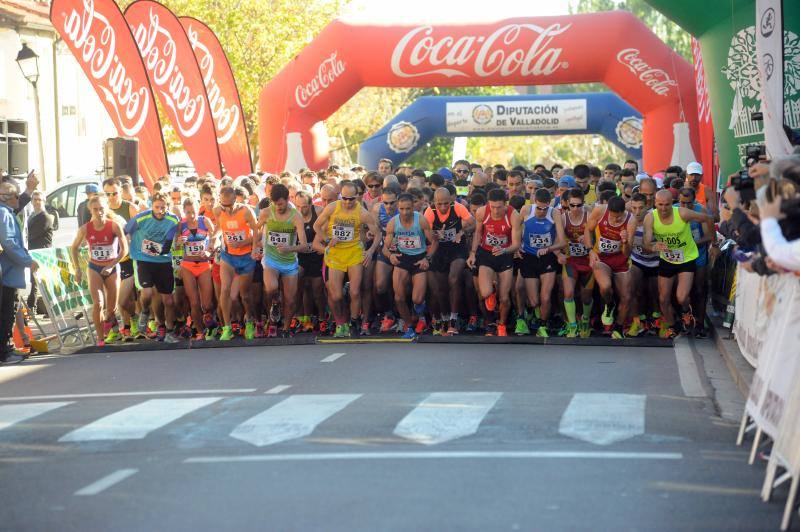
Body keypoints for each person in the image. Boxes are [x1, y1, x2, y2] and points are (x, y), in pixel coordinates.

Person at [313, 182, 380, 338]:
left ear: (357, 197)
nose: (348, 202)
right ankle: (341, 322)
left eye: (351, 199)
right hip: (335, 255)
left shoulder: (362, 213)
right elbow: (317, 226)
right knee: (336, 296)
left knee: (355, 292)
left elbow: (377, 234)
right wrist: (328, 239)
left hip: (354, 254)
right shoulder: (332, 208)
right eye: (345, 198)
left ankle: (354, 321)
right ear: (340, 196)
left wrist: (370, 252)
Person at [643, 190, 713, 339]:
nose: (663, 208)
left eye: (667, 205)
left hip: (686, 258)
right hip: (667, 259)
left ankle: (686, 312)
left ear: (672, 203)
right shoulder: (650, 218)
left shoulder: (682, 213)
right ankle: (672, 326)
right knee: (663, 298)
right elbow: (646, 243)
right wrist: (654, 246)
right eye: (660, 205)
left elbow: (708, 218)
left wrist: (714, 241)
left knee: (681, 297)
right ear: (655, 203)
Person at [70, 196, 128, 347]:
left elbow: (124, 249)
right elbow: (74, 248)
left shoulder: (114, 226)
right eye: (95, 209)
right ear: (90, 210)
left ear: (106, 209)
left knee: (112, 308)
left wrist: (112, 264)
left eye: (101, 208)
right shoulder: (85, 229)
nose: (99, 212)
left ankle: (110, 324)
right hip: (94, 267)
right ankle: (100, 338)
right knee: (98, 303)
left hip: (112, 267)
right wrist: (77, 269)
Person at [126, 192, 181, 343]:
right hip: (143, 259)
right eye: (157, 207)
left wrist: (161, 249)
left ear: (167, 206)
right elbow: (125, 231)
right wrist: (129, 245)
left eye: (163, 207)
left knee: (169, 301)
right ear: (152, 206)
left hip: (163, 261)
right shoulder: (141, 218)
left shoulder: (172, 220)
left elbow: (169, 242)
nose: (160, 210)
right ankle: (144, 311)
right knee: (148, 293)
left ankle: (169, 330)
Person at [467, 188, 522, 337]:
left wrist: (504, 250)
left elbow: (517, 244)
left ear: (505, 204)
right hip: (486, 254)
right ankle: (492, 293)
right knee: (485, 293)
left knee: (504, 298)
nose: (496, 211)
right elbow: (478, 233)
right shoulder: (481, 212)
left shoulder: (514, 216)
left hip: (505, 254)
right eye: (492, 207)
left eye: (499, 207)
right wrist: (472, 253)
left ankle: (502, 324)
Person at [383, 193, 438, 339]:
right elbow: (384, 247)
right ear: (397, 208)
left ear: (413, 207)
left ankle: (419, 310)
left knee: (417, 300)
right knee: (399, 298)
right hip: (403, 258)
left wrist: (427, 258)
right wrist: (391, 256)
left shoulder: (421, 220)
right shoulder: (393, 222)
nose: (405, 212)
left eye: (408, 209)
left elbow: (434, 242)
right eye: (401, 209)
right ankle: (410, 327)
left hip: (419, 259)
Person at [257, 184, 307, 337]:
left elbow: (304, 245)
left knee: (291, 300)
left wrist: (289, 248)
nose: (278, 207)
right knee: (271, 288)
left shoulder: (295, 216)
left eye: (281, 204)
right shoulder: (266, 213)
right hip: (271, 259)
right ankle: (275, 303)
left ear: (287, 200)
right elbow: (256, 230)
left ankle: (285, 328)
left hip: (289, 261)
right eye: (275, 204)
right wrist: (254, 248)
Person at [424, 187, 474, 336]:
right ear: (434, 202)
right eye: (439, 204)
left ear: (451, 201)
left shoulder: (458, 208)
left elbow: (473, 224)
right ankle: (445, 318)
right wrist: (434, 235)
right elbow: (426, 233)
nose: (443, 207)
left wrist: (462, 232)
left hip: (457, 249)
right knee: (440, 288)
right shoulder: (430, 212)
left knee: (453, 278)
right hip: (439, 250)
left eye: (446, 203)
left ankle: (453, 319)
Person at [518, 188, 567, 337]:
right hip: (529, 257)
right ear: (534, 202)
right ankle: (530, 313)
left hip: (547, 257)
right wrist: (516, 247)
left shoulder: (554, 213)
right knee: (534, 301)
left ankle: (543, 325)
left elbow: (562, 241)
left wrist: (549, 249)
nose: (541, 211)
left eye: (545, 208)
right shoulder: (526, 210)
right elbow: (515, 229)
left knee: (546, 296)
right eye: (539, 208)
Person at [214, 186, 260, 341]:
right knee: (225, 290)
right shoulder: (217, 211)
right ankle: (227, 328)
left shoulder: (246, 211)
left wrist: (252, 247)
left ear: (236, 200)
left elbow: (257, 231)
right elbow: (219, 229)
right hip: (228, 256)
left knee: (244, 295)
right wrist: (214, 240)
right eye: (223, 204)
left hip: (246, 257)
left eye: (229, 204)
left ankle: (249, 323)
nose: (226, 208)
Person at [0, 182, 38, 364]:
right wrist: (27, 261)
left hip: (8, 271)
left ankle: (6, 350)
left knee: (9, 311)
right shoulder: (3, 213)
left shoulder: (5, 212)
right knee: (7, 311)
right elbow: (9, 243)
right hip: (7, 273)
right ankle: (5, 352)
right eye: (15, 196)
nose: (18, 199)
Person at [584, 196, 633, 339]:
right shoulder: (599, 211)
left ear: (623, 212)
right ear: (608, 211)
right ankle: (610, 304)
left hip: (620, 259)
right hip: (601, 257)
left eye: (619, 218)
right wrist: (590, 251)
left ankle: (618, 327)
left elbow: (627, 253)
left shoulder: (631, 220)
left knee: (626, 296)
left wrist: (625, 241)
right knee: (605, 286)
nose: (616, 220)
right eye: (613, 217)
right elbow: (588, 230)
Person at [103, 177, 140, 341]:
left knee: (124, 299)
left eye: (114, 193)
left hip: (128, 260)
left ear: (121, 192)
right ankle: (123, 328)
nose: (111, 197)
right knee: (112, 301)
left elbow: (139, 233)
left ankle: (133, 319)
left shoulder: (130, 208)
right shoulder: (100, 210)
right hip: (108, 263)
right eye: (107, 194)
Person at [176, 197, 216, 341]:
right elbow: (175, 246)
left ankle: (210, 321)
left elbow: (215, 238)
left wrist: (209, 252)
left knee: (207, 304)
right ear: (183, 212)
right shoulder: (181, 225)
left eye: (193, 212)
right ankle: (200, 332)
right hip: (188, 265)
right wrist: (179, 242)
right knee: (194, 302)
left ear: (197, 209)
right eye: (187, 212)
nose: (191, 215)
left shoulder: (204, 221)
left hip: (204, 265)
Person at [560, 188, 594, 338]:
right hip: (571, 261)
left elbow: (598, 240)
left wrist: (588, 240)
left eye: (578, 205)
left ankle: (585, 320)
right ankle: (572, 325)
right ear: (567, 203)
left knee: (586, 297)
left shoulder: (590, 216)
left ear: (583, 204)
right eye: (572, 205)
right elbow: (557, 240)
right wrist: (557, 254)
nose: (575, 209)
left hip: (588, 261)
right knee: (568, 293)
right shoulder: (562, 218)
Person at [628, 192, 661, 337]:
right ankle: (637, 322)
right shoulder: (628, 220)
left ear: (647, 206)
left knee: (656, 294)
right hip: (637, 260)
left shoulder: (656, 218)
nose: (637, 212)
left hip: (656, 262)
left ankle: (657, 321)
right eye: (633, 208)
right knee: (633, 289)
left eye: (640, 208)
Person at [296, 191, 326, 333]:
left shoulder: (319, 212)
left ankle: (322, 318)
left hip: (316, 257)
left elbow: (327, 231)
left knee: (317, 291)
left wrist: (324, 247)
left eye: (305, 207)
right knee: (301, 287)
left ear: (311, 204)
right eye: (298, 206)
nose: (301, 210)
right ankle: (305, 319)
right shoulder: (294, 216)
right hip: (301, 257)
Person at [26, 190, 58, 313]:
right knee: (34, 281)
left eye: (40, 199)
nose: (37, 202)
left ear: (44, 201)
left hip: (42, 253)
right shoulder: (32, 215)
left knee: (42, 282)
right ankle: (34, 307)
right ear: (32, 201)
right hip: (34, 252)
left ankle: (33, 307)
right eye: (35, 199)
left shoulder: (45, 217)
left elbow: (31, 235)